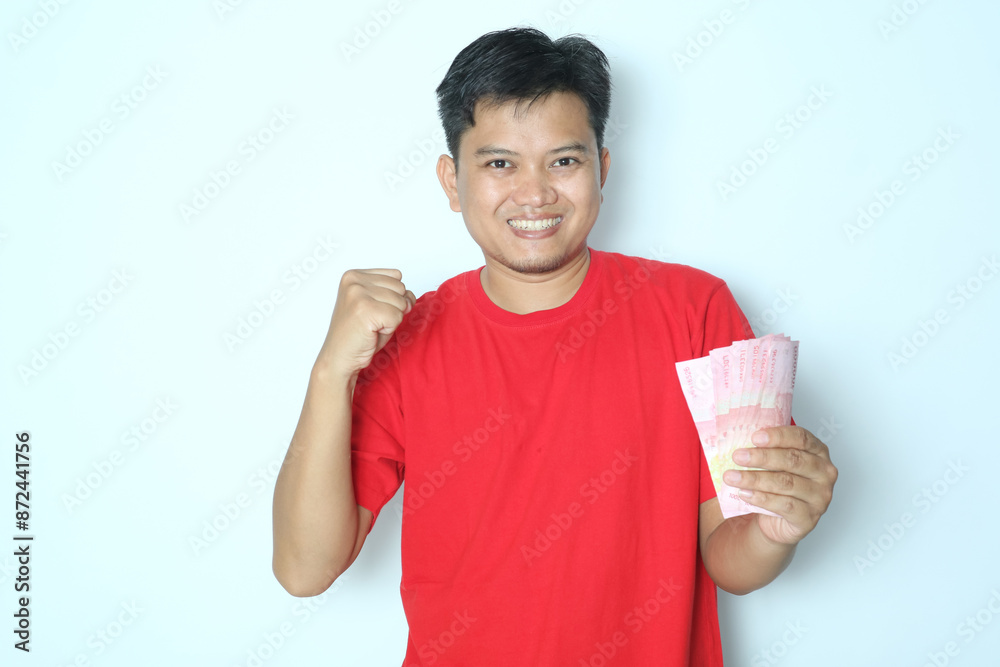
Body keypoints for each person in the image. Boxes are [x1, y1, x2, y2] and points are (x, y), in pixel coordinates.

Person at [271, 26, 838, 666]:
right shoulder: (404, 341)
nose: (535, 193)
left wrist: (774, 530)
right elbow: (303, 569)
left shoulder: (695, 312)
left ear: (603, 168)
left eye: (563, 161)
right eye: (499, 163)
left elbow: (732, 559)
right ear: (452, 181)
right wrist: (329, 374)